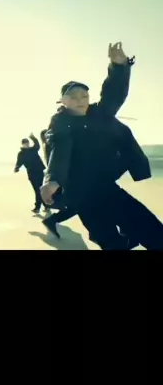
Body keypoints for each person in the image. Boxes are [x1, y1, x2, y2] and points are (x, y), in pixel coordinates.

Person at [41, 42, 163, 250]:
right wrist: (53, 180)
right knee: (111, 243)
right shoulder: (60, 124)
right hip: (81, 195)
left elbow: (114, 94)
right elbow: (59, 151)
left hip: (106, 187)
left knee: (154, 232)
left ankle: (129, 236)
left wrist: (119, 66)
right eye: (73, 97)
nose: (80, 100)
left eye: (84, 96)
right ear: (63, 101)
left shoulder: (99, 114)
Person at [14, 133, 46, 214]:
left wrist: (33, 138)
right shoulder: (21, 154)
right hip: (31, 173)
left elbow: (37, 145)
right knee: (37, 190)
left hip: (39, 172)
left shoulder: (33, 149)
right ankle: (42, 206)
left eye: (27, 143)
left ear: (28, 143)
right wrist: (16, 168)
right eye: (25, 143)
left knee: (40, 189)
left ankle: (40, 207)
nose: (26, 144)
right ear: (22, 144)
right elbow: (19, 162)